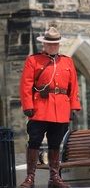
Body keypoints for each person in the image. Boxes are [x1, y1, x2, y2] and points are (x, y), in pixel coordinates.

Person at [20, 27, 81, 188]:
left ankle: (55, 178)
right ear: (44, 44)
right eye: (49, 43)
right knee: (34, 142)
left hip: (61, 109)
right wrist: (28, 105)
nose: (52, 46)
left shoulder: (67, 61)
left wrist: (73, 107)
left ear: (59, 45)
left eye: (55, 44)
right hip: (39, 108)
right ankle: (30, 178)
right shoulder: (33, 60)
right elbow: (25, 85)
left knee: (55, 144)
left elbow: (73, 86)